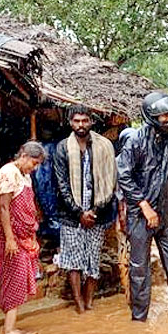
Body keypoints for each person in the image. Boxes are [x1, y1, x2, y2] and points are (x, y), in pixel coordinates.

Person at [117, 91, 168, 323]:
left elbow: (166, 176)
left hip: (166, 214)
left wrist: (167, 208)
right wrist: (144, 206)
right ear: (151, 116)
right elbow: (124, 176)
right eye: (164, 115)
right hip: (141, 215)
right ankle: (139, 319)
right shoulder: (135, 140)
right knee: (139, 270)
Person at [53, 105, 118, 313]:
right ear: (70, 123)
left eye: (84, 121)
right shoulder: (63, 148)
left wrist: (95, 211)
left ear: (91, 121)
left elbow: (111, 181)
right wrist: (79, 213)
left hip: (98, 214)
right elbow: (61, 185)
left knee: (93, 259)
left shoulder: (104, 146)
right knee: (74, 260)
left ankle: (89, 301)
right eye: (76, 121)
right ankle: (79, 304)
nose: (80, 125)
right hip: (71, 216)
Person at [0, 141, 47, 334]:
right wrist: (9, 238)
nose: (35, 168)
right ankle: (9, 329)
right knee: (14, 278)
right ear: (23, 156)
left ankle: (10, 325)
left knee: (18, 277)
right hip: (11, 237)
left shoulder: (24, 176)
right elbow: (3, 207)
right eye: (34, 163)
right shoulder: (8, 173)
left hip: (22, 237)